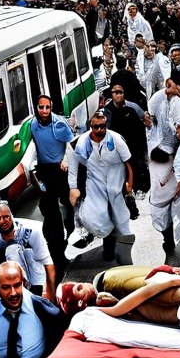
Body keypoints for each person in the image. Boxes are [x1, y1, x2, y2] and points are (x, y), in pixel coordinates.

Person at [69, 111, 134, 261]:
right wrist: (73, 187)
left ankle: (122, 254)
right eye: (96, 127)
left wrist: (130, 186)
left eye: (102, 126)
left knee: (119, 217)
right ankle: (95, 236)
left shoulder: (116, 140)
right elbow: (74, 163)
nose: (99, 130)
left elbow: (129, 163)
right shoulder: (83, 142)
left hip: (115, 177)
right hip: (94, 180)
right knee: (97, 214)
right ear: (91, 127)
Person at [29, 94, 76, 271]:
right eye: (41, 107)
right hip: (45, 170)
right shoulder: (33, 125)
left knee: (69, 203)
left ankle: (73, 233)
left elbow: (71, 144)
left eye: (47, 107)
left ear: (51, 107)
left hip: (60, 170)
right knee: (49, 208)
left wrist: (65, 160)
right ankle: (56, 248)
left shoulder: (59, 125)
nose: (44, 111)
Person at [149, 73, 180, 261]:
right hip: (160, 158)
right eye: (168, 85)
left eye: (174, 85)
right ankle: (168, 239)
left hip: (179, 159)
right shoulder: (158, 99)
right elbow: (150, 119)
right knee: (159, 200)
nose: (170, 88)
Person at [0, 202, 57, 301]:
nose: (3, 221)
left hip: (35, 273)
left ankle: (36, 291)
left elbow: (48, 265)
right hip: (10, 274)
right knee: (12, 250)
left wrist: (51, 296)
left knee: (27, 252)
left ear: (11, 216)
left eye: (6, 217)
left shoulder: (32, 232)